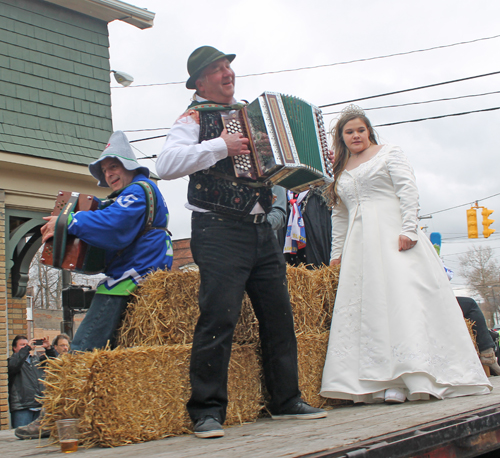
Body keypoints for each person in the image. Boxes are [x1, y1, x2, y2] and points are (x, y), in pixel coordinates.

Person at [156, 45, 326, 439]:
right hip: (217, 230)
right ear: (200, 82)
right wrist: (220, 146)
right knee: (219, 317)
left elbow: (275, 165)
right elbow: (165, 165)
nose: (226, 74)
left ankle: (286, 401)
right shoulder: (193, 117)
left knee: (279, 316)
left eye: (227, 67)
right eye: (216, 70)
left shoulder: (252, 114)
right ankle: (206, 412)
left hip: (261, 229)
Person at [320, 105, 491, 404]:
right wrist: (338, 253)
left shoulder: (390, 153)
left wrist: (409, 229)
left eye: (360, 130)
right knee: (370, 309)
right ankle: (380, 381)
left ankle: (414, 376)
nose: (356, 135)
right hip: (360, 246)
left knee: (402, 302)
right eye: (349, 132)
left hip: (392, 235)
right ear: (342, 138)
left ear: (369, 131)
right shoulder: (340, 170)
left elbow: (407, 190)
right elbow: (340, 216)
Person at [40, 131, 173, 352]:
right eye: (104, 171)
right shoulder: (137, 192)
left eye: (113, 167)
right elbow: (113, 215)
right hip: (148, 269)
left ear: (129, 166)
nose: (109, 174)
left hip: (133, 273)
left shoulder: (137, 192)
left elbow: (113, 224)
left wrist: (68, 221)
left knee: (84, 346)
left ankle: (76, 378)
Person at [8, 335, 56, 428]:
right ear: (14, 348)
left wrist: (49, 348)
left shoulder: (37, 359)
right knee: (21, 439)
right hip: (22, 408)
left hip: (39, 407)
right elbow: (14, 365)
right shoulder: (11, 361)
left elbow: (54, 363)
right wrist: (26, 349)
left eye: (27, 344)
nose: (26, 347)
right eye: (22, 345)